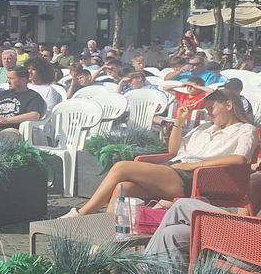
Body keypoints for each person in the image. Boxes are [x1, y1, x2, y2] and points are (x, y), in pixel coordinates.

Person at [71, 91, 256, 216]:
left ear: (229, 105)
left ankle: (81, 214)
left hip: (196, 177)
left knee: (121, 167)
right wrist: (179, 121)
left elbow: (239, 159)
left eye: (211, 109)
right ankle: (109, 241)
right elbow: (173, 151)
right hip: (176, 170)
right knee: (123, 188)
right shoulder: (205, 128)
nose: (209, 115)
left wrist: (193, 165)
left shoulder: (245, 129)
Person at [0, 66, 45, 140]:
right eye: (8, 78)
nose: (8, 81)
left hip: (12, 130)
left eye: (12, 78)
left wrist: (7, 120)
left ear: (23, 80)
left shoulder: (33, 96)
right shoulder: (5, 93)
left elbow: (34, 115)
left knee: (2, 138)